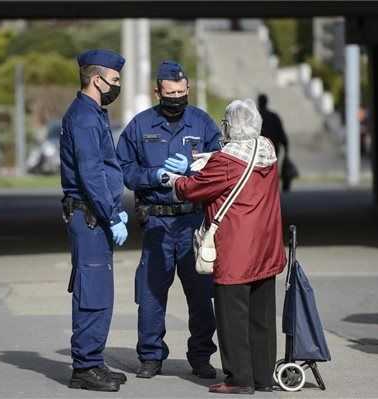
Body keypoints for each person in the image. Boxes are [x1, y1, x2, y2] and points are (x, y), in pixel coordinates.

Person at [162, 99, 287, 394]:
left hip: (236, 253)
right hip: (266, 249)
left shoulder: (226, 162)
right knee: (262, 317)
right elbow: (231, 159)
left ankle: (239, 379)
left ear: (230, 127)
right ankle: (263, 377)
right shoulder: (265, 150)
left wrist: (174, 179)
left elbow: (193, 189)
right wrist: (207, 159)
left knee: (232, 319)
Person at [116, 60, 221, 379]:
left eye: (180, 92)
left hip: (193, 222)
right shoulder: (140, 125)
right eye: (169, 93)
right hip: (157, 223)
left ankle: (201, 356)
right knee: (150, 295)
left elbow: (221, 165)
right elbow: (122, 170)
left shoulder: (203, 124)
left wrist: (199, 171)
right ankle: (151, 356)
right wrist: (154, 176)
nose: (176, 97)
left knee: (202, 296)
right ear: (157, 92)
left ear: (188, 89)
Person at [60, 49, 129, 392]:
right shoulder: (86, 118)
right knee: (92, 292)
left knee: (100, 291)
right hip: (90, 216)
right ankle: (84, 367)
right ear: (96, 79)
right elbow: (91, 174)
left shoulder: (93, 113)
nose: (118, 85)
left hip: (94, 216)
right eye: (114, 80)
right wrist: (113, 213)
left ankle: (94, 360)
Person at [257, 93, 293, 192]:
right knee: (272, 170)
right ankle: (271, 191)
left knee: (260, 171)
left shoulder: (255, 117)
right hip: (273, 149)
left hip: (258, 150)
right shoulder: (273, 116)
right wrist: (286, 148)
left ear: (259, 102)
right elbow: (281, 133)